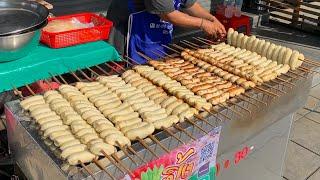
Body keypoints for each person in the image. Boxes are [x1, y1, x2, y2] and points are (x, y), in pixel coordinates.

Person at [126, 0, 226, 63]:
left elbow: (189, 4)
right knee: (139, 70)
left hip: (160, 34)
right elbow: (169, 15)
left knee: (159, 65)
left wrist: (211, 19)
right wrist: (203, 23)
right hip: (139, 33)